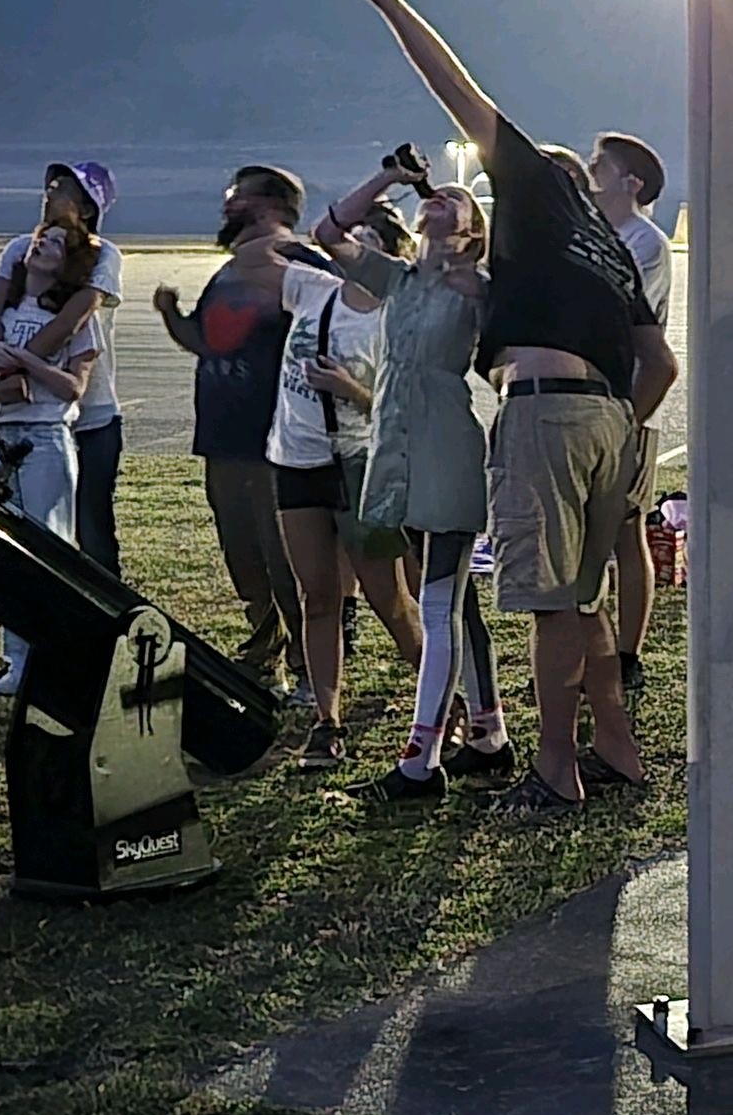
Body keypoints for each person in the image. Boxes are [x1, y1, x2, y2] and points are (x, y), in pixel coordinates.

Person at [338, 0, 679, 816]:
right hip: (613, 425)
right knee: (590, 600)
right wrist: (623, 428)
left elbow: (459, 89)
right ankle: (617, 751)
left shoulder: (538, 193)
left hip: (547, 418)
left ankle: (555, 769)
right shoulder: (608, 249)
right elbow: (661, 362)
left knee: (547, 603)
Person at [312, 160, 510, 802]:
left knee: (437, 602)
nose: (442, 199)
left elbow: (505, 317)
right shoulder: (397, 278)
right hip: (396, 442)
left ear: (473, 232)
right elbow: (329, 229)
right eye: (437, 195)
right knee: (454, 601)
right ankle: (489, 732)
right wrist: (388, 177)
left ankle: (421, 759)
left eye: (459, 200)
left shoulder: (476, 285)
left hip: (445, 442)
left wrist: (478, 277)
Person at [153, 167, 333, 691]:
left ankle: (309, 667)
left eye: (239, 197)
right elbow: (209, 343)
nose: (228, 205)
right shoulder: (228, 274)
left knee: (285, 560)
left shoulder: (303, 266)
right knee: (243, 555)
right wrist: (171, 316)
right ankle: (264, 650)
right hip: (223, 439)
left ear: (273, 206)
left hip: (276, 443)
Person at [264, 201, 424, 771]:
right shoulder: (314, 289)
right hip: (297, 461)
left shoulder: (397, 318)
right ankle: (327, 723)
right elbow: (264, 253)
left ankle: (441, 705)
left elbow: (405, 411)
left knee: (389, 598)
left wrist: (350, 390)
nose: (349, 248)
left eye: (364, 240)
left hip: (360, 467)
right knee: (319, 596)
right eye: (348, 239)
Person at [0, 162, 124, 575]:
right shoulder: (21, 248)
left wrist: (18, 369)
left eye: (61, 189)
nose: (49, 194)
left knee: (90, 530)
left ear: (86, 208)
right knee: (17, 525)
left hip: (89, 415)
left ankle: (103, 624)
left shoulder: (103, 255)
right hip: (19, 414)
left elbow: (74, 317)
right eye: (51, 186)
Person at [0, 220, 100, 695]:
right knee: (7, 548)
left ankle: (57, 653)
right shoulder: (2, 316)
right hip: (2, 434)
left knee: (47, 546)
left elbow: (74, 387)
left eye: (55, 242)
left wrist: (26, 361)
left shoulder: (72, 321)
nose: (42, 245)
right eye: (38, 239)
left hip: (47, 434)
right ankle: (18, 658)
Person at [590, 132, 674, 704]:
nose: (591, 174)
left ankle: (627, 652)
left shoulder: (645, 242)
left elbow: (620, 315)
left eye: (600, 166)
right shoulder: (599, 234)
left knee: (625, 531)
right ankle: (588, 647)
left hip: (628, 400)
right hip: (587, 402)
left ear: (631, 183)